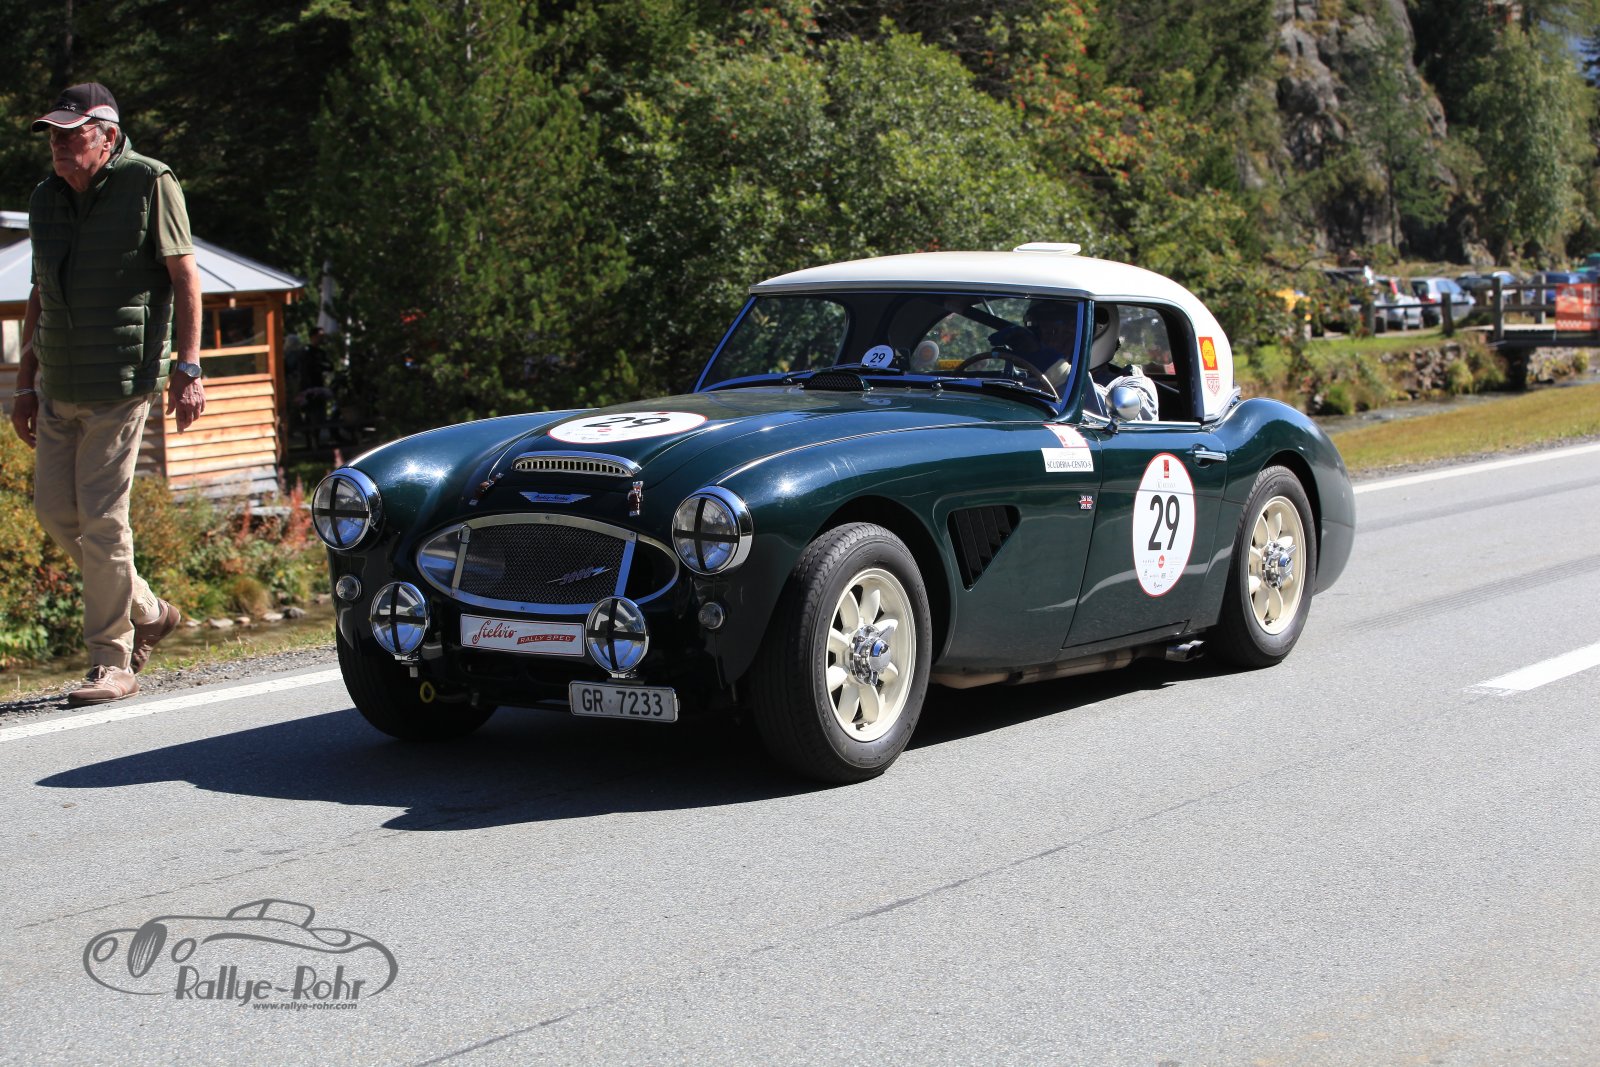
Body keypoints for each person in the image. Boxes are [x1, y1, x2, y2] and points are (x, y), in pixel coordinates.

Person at [8, 83, 205, 706]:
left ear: (108, 136)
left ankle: (111, 661)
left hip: (121, 382)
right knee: (54, 513)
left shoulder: (150, 182)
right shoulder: (45, 198)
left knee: (102, 521)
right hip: (58, 383)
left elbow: (185, 275)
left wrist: (189, 367)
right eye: (53, 136)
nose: (59, 145)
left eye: (73, 134)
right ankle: (149, 611)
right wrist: (24, 382)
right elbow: (41, 292)